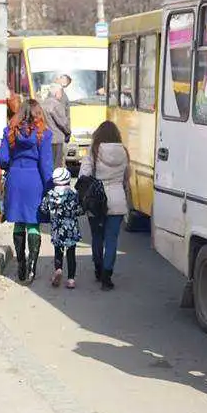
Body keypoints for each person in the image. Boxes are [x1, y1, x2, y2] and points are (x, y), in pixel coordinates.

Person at [0, 99, 54, 284]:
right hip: (34, 180)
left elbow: (2, 158)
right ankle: (31, 268)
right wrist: (49, 187)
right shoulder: (43, 134)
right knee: (33, 223)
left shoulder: (10, 131)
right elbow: (45, 164)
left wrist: (12, 165)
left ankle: (20, 264)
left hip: (15, 179)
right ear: (38, 114)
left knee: (19, 222)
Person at [79, 120, 131, 291]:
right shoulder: (124, 152)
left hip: (97, 202)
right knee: (111, 240)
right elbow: (126, 178)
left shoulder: (94, 151)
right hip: (117, 200)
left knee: (97, 236)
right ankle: (107, 276)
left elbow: (84, 175)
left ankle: (98, 268)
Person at [45, 166, 82, 289]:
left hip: (57, 228)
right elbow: (79, 210)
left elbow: (43, 208)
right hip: (71, 228)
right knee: (71, 254)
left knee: (58, 251)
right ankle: (71, 279)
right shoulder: (73, 193)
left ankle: (59, 269)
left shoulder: (51, 194)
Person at [42, 82, 71, 168]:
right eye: (61, 93)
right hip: (56, 139)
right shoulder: (56, 105)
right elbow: (63, 123)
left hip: (45, 138)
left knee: (47, 165)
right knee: (57, 166)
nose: (62, 96)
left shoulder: (42, 104)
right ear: (56, 93)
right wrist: (68, 133)